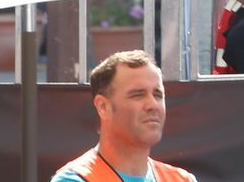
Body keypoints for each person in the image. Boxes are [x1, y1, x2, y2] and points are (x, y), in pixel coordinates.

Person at [52, 51, 196, 182]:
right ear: (103, 107)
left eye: (158, 95)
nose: (153, 105)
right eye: (138, 95)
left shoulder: (181, 179)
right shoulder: (76, 179)